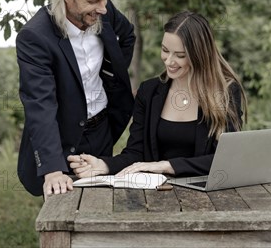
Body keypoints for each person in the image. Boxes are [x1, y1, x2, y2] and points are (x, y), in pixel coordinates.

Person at [67, 11, 247, 178]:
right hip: (157, 195)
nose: (169, 61)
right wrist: (104, 165)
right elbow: (135, 154)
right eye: (165, 50)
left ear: (199, 55)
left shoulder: (226, 92)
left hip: (208, 199)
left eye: (180, 55)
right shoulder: (149, 92)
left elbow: (225, 160)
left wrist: (166, 166)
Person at [16, 0, 135, 197]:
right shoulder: (35, 37)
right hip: (61, 136)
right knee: (64, 206)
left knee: (101, 202)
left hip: (103, 129)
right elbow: (40, 104)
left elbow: (127, 37)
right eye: (93, 1)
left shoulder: (104, 8)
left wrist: (110, 79)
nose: (103, 8)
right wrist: (52, 169)